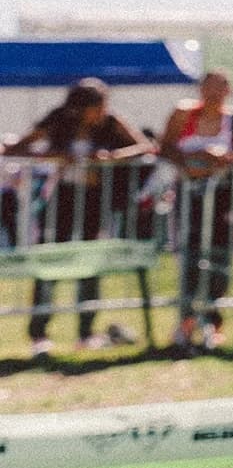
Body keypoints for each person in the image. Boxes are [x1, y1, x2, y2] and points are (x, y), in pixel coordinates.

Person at [5, 79, 152, 356]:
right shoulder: (59, 120)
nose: (101, 112)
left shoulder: (110, 123)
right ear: (81, 107)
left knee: (90, 262)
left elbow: (145, 147)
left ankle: (86, 331)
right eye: (97, 106)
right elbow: (18, 148)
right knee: (51, 261)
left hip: (95, 200)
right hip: (62, 198)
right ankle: (39, 333)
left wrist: (112, 157)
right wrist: (59, 156)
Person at [160, 72, 233, 352]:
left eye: (219, 89)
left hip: (223, 199)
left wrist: (230, 159)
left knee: (220, 257)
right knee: (189, 256)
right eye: (208, 89)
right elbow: (165, 148)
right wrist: (194, 160)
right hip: (189, 198)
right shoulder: (183, 114)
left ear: (228, 91)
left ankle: (212, 321)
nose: (213, 95)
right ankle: (187, 320)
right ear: (200, 89)